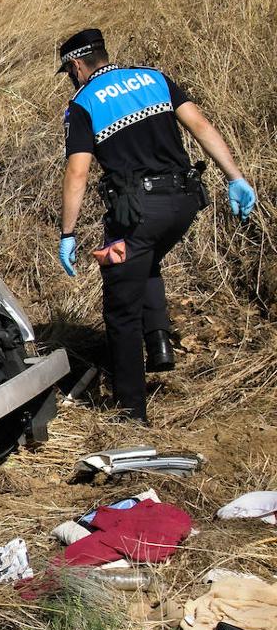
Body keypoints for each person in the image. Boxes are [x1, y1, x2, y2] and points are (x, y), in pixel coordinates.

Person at [56, 28, 257, 423]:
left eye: (69, 73)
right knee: (145, 259)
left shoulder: (83, 103)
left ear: (77, 65)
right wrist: (235, 177)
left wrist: (68, 232)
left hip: (138, 211)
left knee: (121, 311)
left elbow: (77, 172)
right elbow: (201, 126)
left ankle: (131, 414)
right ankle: (159, 343)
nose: (71, 80)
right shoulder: (153, 77)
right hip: (184, 202)